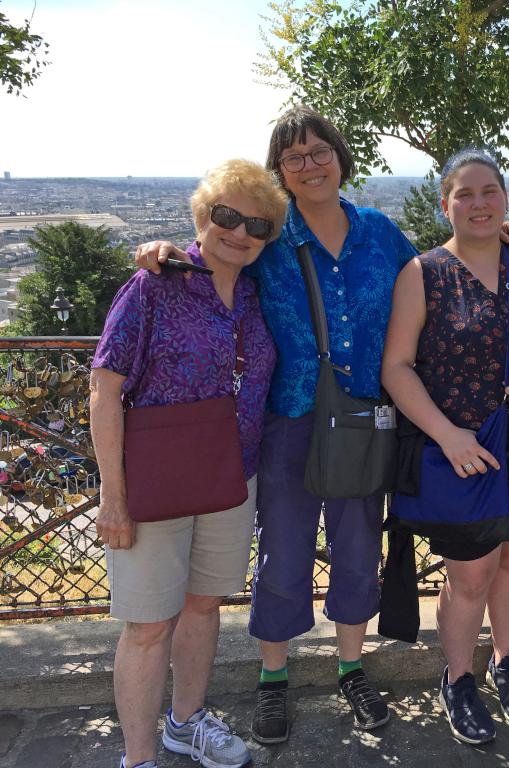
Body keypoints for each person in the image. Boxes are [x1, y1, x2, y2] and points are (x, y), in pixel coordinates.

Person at [134, 106, 417, 742]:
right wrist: (165, 251)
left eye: (320, 152)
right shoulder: (270, 238)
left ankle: (351, 667)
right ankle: (273, 677)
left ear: (341, 158)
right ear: (281, 173)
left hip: (366, 418)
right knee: (283, 555)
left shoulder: (380, 232)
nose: (310, 164)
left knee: (356, 552)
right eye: (294, 158)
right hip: (289, 419)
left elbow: (433, 278)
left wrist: (502, 238)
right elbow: (213, 265)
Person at [380, 148, 509, 744]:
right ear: (445, 205)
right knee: (469, 574)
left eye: (488, 191)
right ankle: (459, 677)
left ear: (505, 199)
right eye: (464, 194)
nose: (478, 203)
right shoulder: (424, 273)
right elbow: (397, 366)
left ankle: (505, 659)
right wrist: (446, 435)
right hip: (464, 446)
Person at [92, 159, 287, 768]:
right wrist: (113, 497)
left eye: (256, 225)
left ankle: (186, 722)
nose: (240, 232)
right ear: (201, 217)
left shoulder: (257, 296)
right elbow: (104, 389)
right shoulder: (155, 284)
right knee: (149, 624)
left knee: (204, 606)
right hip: (157, 480)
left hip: (232, 476)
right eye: (226, 216)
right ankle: (139, 756)